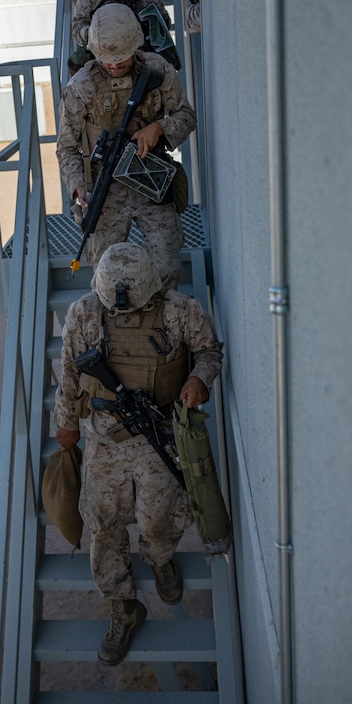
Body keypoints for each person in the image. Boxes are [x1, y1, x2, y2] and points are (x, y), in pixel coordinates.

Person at [54, 242, 223, 666]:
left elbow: (209, 350)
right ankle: (123, 607)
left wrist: (200, 379)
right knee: (104, 526)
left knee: (159, 515)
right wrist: (67, 422)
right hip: (103, 438)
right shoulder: (85, 314)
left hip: (158, 436)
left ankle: (161, 559)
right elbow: (71, 372)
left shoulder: (179, 311)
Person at [57, 3, 196, 289]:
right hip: (105, 190)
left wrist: (158, 128)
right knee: (107, 278)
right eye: (109, 59)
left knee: (167, 268)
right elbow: (67, 147)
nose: (116, 65)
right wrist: (78, 187)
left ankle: (161, 327)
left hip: (150, 179)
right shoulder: (81, 86)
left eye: (122, 58)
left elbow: (186, 116)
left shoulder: (157, 69)